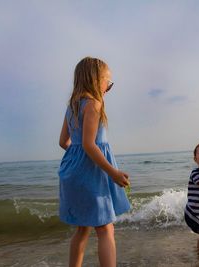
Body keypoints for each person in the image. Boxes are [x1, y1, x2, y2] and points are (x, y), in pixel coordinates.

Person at [58, 57, 131, 267]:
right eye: (108, 81)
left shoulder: (72, 105)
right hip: (92, 173)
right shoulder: (93, 103)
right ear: (95, 79)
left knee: (82, 229)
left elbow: (64, 142)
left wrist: (78, 158)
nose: (109, 86)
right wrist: (113, 172)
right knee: (106, 229)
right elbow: (90, 145)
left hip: (73, 171)